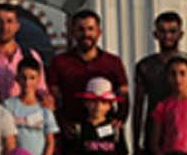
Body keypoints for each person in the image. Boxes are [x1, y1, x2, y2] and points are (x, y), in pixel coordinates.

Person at [131, 12, 187, 155]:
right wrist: (136, 144)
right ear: (155, 35)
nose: (167, 36)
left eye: (172, 31)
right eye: (162, 31)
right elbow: (139, 106)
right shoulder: (146, 66)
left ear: (180, 34)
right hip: (155, 140)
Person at [47, 9, 128, 137]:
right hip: (72, 130)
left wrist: (120, 118)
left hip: (104, 131)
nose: (86, 34)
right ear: (73, 33)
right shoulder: (60, 62)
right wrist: (61, 123)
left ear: (99, 32)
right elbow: (54, 98)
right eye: (81, 29)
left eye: (91, 29)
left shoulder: (113, 62)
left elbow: (123, 94)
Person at [4, 61, 58, 155]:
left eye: (32, 77)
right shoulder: (9, 106)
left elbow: (50, 142)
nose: (27, 82)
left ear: (39, 79)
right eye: (23, 77)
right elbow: (8, 140)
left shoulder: (44, 108)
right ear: (17, 79)